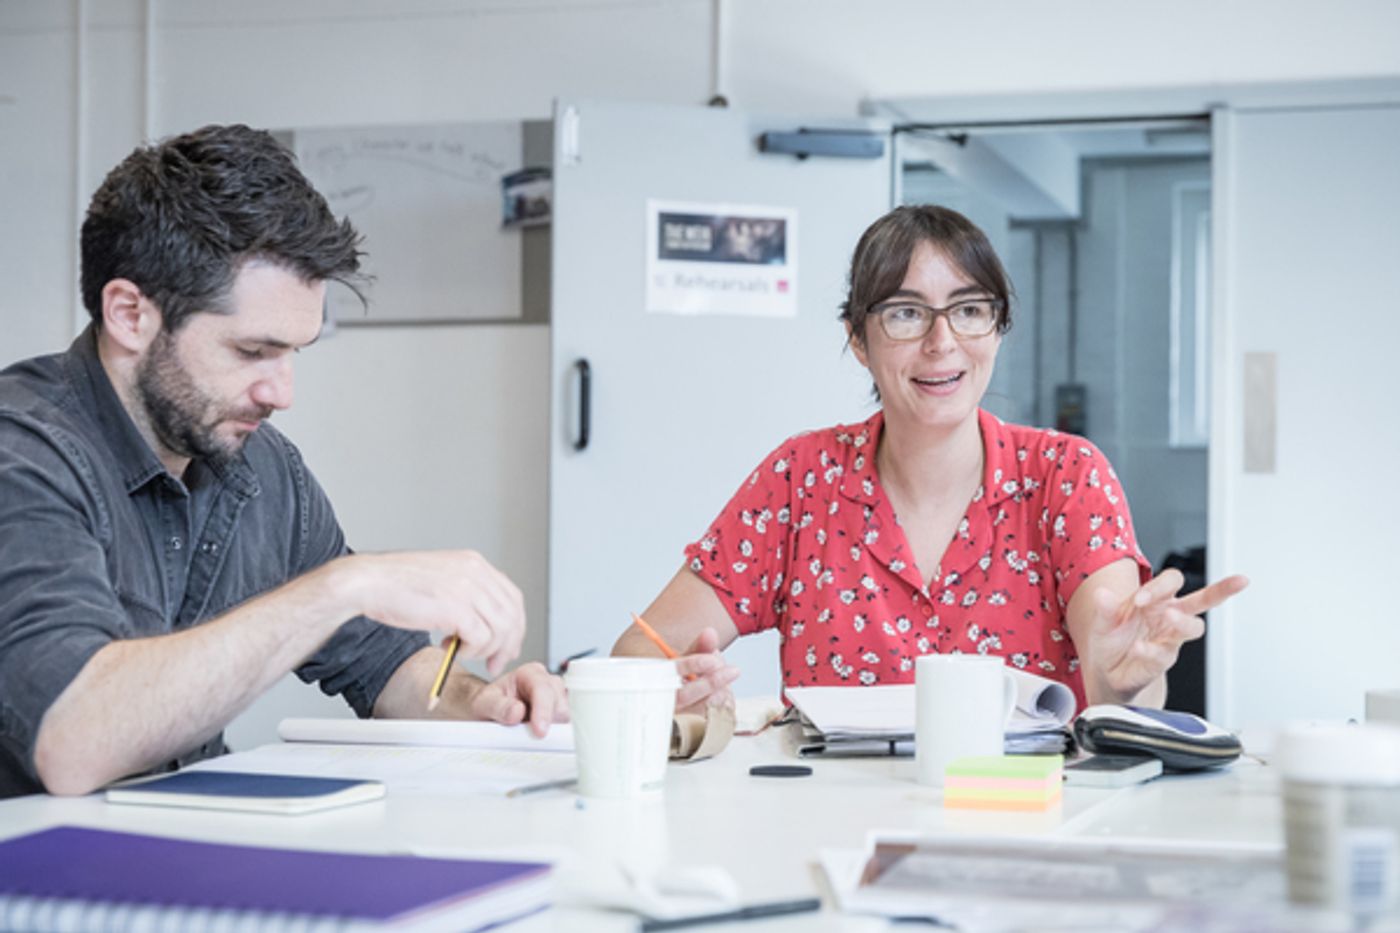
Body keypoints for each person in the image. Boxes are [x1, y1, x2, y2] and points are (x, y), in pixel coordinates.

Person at [0, 124, 566, 799]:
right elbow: (73, 741)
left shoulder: (261, 467)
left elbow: (388, 669)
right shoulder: (24, 452)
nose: (283, 393)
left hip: (176, 851)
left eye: (295, 351)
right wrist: (340, 586)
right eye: (251, 351)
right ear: (129, 314)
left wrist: (481, 702)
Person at [614, 204, 1247, 713]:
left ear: (996, 329)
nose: (942, 343)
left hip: (1025, 816)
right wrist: (670, 687)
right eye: (906, 314)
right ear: (858, 339)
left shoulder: (1064, 475)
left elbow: (1117, 683)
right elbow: (639, 654)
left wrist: (1124, 681)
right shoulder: (801, 479)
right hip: (827, 822)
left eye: (970, 311)